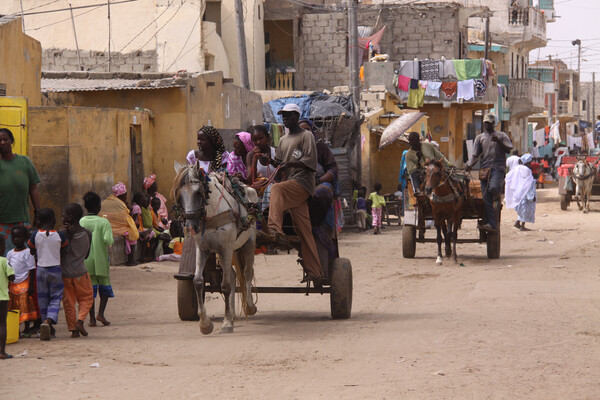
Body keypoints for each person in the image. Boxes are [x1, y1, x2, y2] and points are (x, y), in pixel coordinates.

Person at [264, 103, 324, 283]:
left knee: (276, 189)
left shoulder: (306, 136)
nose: (285, 118)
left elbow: (310, 162)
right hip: (292, 184)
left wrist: (289, 165)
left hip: (303, 184)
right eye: (283, 115)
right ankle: (316, 272)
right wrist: (268, 161)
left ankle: (274, 228)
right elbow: (279, 163)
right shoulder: (283, 140)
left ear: (297, 117)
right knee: (305, 232)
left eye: (289, 116)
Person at [465, 113, 513, 232]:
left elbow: (509, 149)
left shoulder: (501, 135)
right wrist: (470, 164)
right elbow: (475, 155)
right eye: (485, 123)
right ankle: (491, 223)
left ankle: (497, 197)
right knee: (485, 197)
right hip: (484, 169)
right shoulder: (479, 137)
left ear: (494, 124)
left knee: (492, 189)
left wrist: (499, 142)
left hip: (498, 167)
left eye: (489, 123)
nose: (487, 125)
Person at [27, 208, 68, 341]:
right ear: (53, 220)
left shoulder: (35, 235)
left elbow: (31, 251)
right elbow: (65, 250)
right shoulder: (60, 235)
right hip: (55, 269)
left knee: (43, 299)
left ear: (38, 220)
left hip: (41, 269)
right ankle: (48, 322)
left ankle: (44, 325)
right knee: (56, 297)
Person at [0, 128, 41, 256]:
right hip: (1, 223)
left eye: (5, 139)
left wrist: (38, 213)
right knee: (4, 261)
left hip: (21, 221)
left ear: (11, 141)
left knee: (23, 258)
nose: (2, 142)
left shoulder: (24, 162)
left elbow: (33, 188)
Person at [80, 192, 115, 328]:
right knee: (104, 289)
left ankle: (92, 319)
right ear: (98, 206)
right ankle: (101, 313)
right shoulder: (104, 222)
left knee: (90, 291)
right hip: (101, 261)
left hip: (86, 261)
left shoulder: (81, 221)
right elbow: (108, 240)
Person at [60, 203, 93, 338]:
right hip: (81, 273)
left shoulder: (62, 234)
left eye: (63, 215)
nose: (62, 217)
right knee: (86, 298)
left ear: (70, 217)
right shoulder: (87, 233)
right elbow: (86, 255)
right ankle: (80, 320)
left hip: (65, 274)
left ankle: (73, 330)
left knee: (68, 302)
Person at [7, 225, 38, 336]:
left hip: (24, 282)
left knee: (24, 305)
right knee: (13, 306)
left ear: (25, 238)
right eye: (13, 237)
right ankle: (16, 328)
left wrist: (31, 286)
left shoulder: (27, 252)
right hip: (13, 284)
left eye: (18, 237)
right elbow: (8, 268)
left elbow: (32, 269)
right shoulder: (10, 253)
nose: (15, 239)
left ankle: (26, 327)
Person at [101, 183, 139, 266]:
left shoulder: (107, 201)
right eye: (125, 195)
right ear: (122, 195)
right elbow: (127, 218)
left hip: (106, 228)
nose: (126, 197)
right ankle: (131, 260)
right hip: (117, 229)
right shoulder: (121, 204)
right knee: (132, 233)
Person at [505, 154, 536, 231]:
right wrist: (531, 195)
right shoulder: (526, 170)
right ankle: (522, 226)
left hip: (518, 192)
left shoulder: (516, 168)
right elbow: (528, 183)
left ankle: (518, 222)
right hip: (525, 193)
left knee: (521, 209)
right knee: (525, 209)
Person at [0, 237, 16, 359]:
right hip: (2, 298)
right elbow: (12, 277)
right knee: (2, 325)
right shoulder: (4, 261)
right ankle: (2, 352)